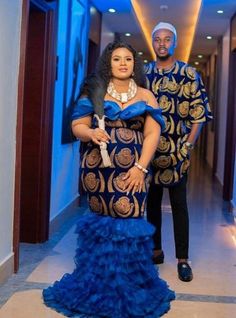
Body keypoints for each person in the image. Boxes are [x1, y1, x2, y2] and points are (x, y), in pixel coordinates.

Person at [42, 40, 175, 317]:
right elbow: (76, 125)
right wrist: (90, 133)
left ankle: (128, 288)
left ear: (134, 64)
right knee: (103, 225)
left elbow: (152, 134)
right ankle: (97, 287)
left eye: (128, 58)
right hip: (98, 171)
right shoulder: (95, 91)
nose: (123, 63)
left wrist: (140, 168)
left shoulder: (146, 96)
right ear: (108, 63)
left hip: (133, 171)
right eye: (116, 59)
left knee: (129, 223)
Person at [145, 22, 212, 282]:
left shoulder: (189, 74)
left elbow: (200, 114)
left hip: (177, 153)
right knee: (151, 203)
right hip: (149, 152)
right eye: (157, 39)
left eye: (167, 39)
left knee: (179, 205)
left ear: (174, 43)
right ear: (153, 43)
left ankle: (183, 259)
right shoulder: (144, 73)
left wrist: (188, 145)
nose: (162, 44)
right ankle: (156, 251)